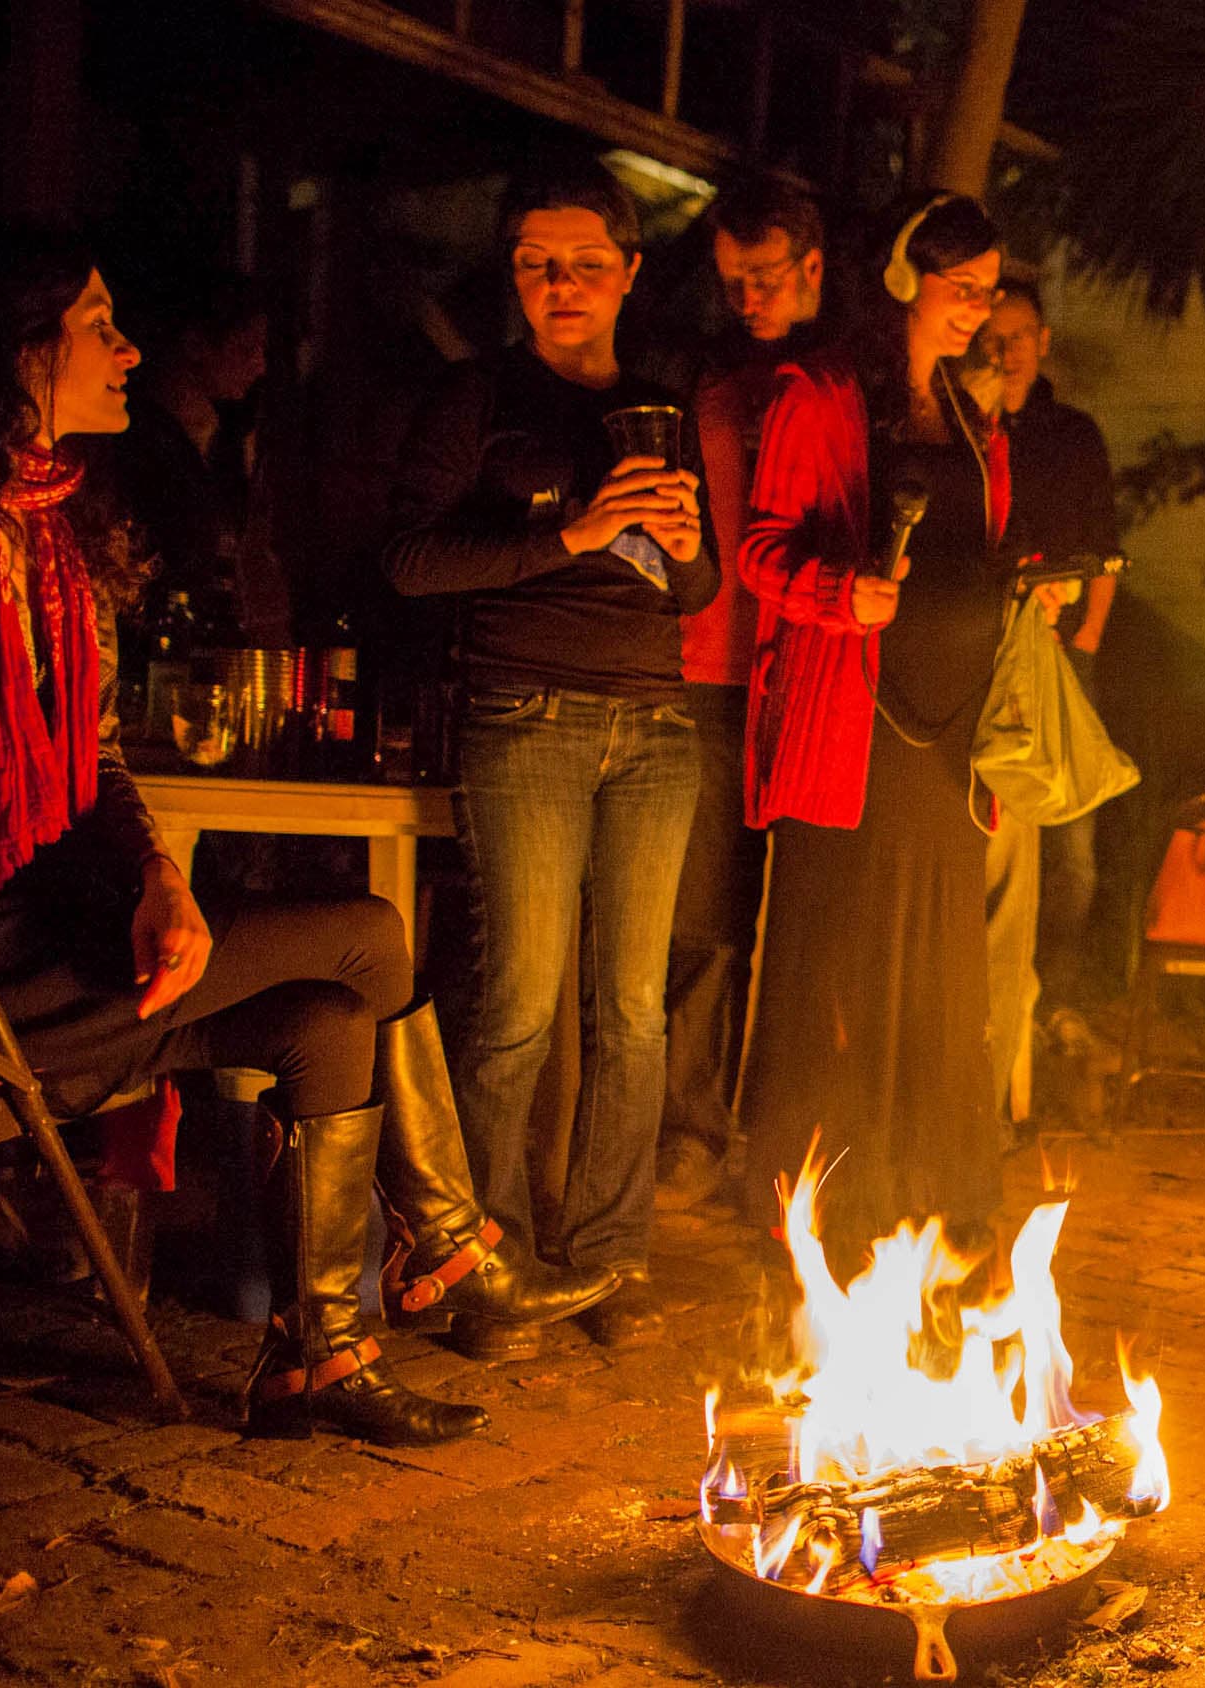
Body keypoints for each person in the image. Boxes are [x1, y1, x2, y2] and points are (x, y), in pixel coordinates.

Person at [0, 220, 613, 1445]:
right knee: (367, 934)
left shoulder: (52, 529)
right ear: (17, 347)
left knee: (325, 1019)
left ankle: (320, 1357)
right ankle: (459, 1254)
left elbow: (91, 757)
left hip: (49, 925)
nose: (130, 348)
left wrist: (155, 870)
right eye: (98, 323)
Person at [384, 159, 714, 1348]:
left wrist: (677, 544)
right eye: (534, 263)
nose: (559, 284)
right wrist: (571, 529)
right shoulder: (476, 399)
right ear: (513, 276)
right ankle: (493, 1264)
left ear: (628, 272)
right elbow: (412, 561)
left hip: (655, 724)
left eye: (583, 263)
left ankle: (609, 1259)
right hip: (523, 712)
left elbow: (700, 583)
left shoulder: (659, 406)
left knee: (634, 1009)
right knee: (520, 1000)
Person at [730, 193, 1074, 1251]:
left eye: (988, 288)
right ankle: (833, 1202)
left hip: (950, 740)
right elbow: (758, 547)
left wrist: (1028, 586)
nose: (976, 307)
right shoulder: (821, 394)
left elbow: (979, 551)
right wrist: (840, 593)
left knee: (937, 965)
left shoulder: (971, 414)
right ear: (899, 278)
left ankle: (938, 1190)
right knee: (840, 961)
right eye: (958, 285)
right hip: (853, 731)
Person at [655, 181, 829, 1213]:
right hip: (709, 675)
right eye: (733, 282)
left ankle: (784, 1139)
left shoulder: (839, 386)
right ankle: (687, 1128)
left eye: (765, 276)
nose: (749, 297)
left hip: (812, 685)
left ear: (812, 264)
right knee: (702, 916)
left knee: (804, 927)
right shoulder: (710, 387)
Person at [975, 279, 1120, 1127]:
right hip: (990, 651)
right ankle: (996, 1000)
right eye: (992, 336)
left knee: (1074, 849)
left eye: (1018, 334)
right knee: (1002, 837)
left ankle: (1052, 993)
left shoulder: (1071, 436)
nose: (1006, 349)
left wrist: (1086, 645)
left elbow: (1103, 545)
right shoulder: (972, 424)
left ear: (1044, 339)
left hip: (1063, 653)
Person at [94, 274, 289, 644]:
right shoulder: (140, 445)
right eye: (248, 347)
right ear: (196, 344)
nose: (260, 365)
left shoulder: (219, 442)